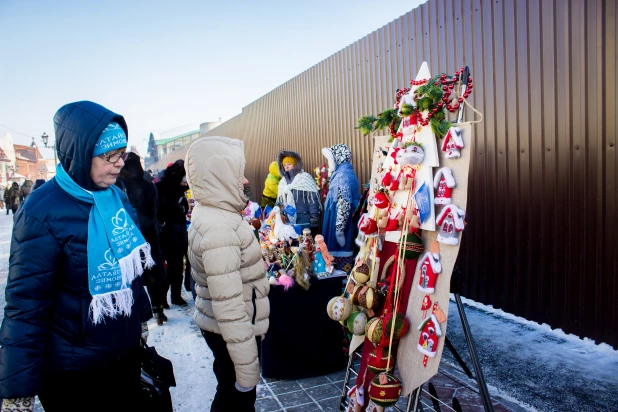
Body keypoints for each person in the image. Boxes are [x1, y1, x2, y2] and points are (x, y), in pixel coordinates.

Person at [0, 101, 154, 412]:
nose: (118, 164)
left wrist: (141, 318)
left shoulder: (117, 197)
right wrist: (17, 390)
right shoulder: (41, 211)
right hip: (72, 370)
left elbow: (131, 270)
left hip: (123, 356)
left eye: (121, 155)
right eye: (108, 157)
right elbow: (26, 304)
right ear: (80, 154)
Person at [186, 136, 270, 412]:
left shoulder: (214, 213)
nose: (245, 181)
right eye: (238, 174)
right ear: (219, 176)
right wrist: (247, 373)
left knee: (226, 391)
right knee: (236, 400)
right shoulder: (219, 227)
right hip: (232, 331)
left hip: (221, 329)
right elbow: (230, 307)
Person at [116, 152, 168, 325]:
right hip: (149, 234)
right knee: (153, 272)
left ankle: (138, 314)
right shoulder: (147, 185)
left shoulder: (118, 187)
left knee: (133, 274)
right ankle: (157, 309)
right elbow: (156, 208)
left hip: (129, 236)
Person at [321, 144, 360, 271]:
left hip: (339, 226)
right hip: (342, 221)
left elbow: (344, 204)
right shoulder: (345, 172)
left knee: (338, 260)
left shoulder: (342, 176)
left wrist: (339, 230)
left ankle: (340, 282)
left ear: (337, 159)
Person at [156, 160, 190, 306]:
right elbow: (162, 210)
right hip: (169, 234)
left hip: (178, 232)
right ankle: (163, 298)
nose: (186, 181)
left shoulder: (177, 187)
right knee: (172, 268)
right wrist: (179, 209)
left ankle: (174, 296)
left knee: (176, 267)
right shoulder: (162, 188)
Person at [276, 150, 321, 235]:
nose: (286, 166)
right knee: (292, 245)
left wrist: (314, 217)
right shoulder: (282, 182)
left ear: (295, 164)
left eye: (289, 164)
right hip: (288, 219)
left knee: (306, 244)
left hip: (304, 219)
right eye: (284, 165)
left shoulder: (304, 178)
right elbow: (280, 202)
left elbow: (313, 199)